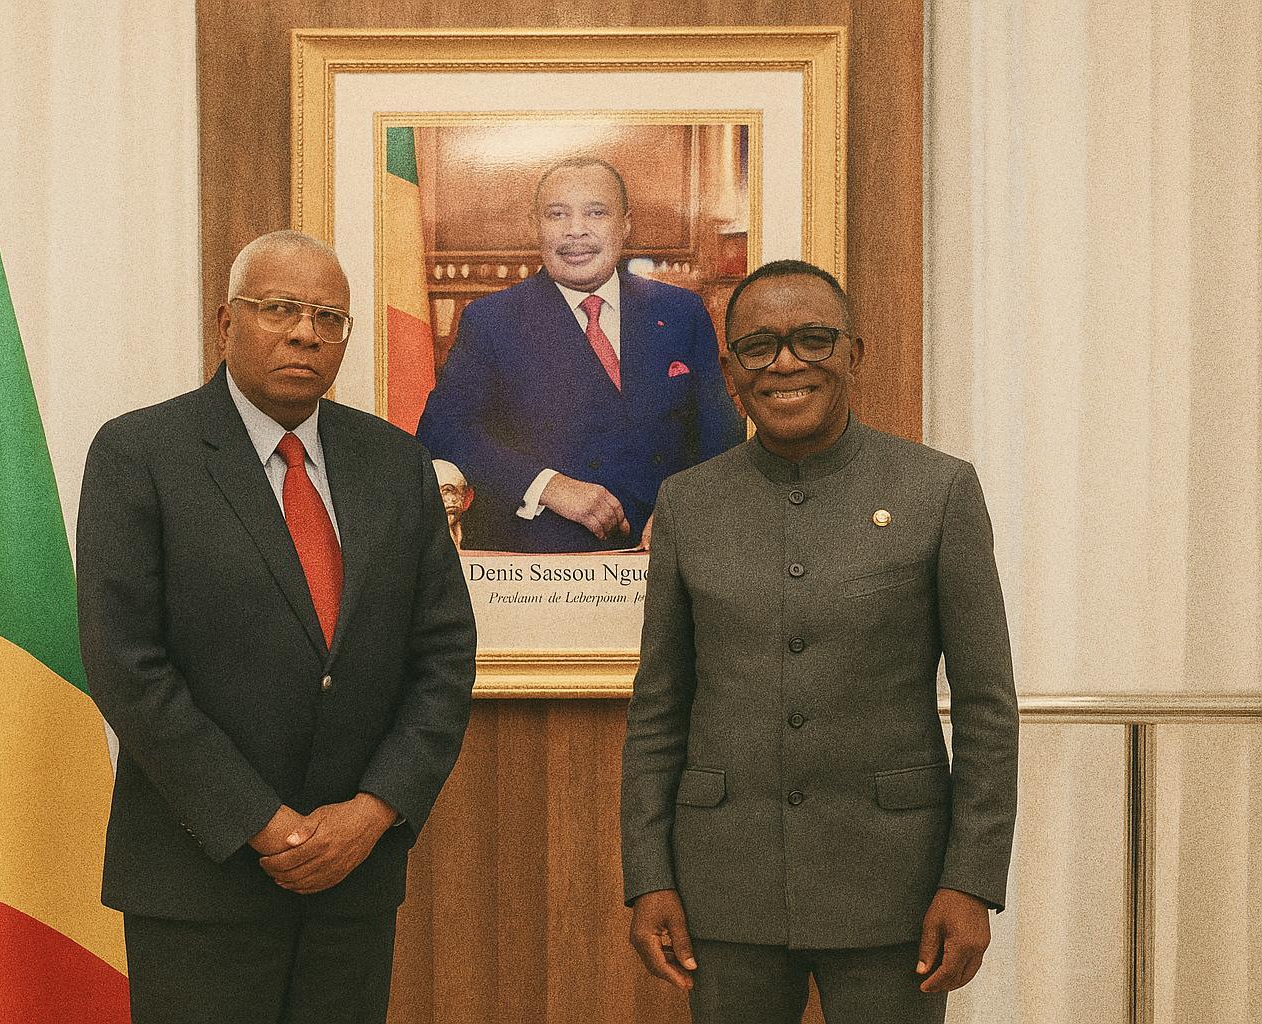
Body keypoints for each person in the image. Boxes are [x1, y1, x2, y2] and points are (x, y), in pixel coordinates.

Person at [76, 230, 477, 1024]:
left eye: (329, 317)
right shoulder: (140, 454)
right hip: (199, 880)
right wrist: (262, 824)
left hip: (353, 880)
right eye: (280, 309)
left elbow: (444, 657)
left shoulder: (396, 464)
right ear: (227, 323)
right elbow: (126, 665)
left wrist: (373, 811)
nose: (305, 334)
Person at [620, 259, 1018, 1024]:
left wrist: (971, 880)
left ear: (853, 354)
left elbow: (986, 709)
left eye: (812, 339)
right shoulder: (688, 503)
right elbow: (659, 708)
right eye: (758, 346)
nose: (785, 363)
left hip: (895, 888)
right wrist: (648, 876)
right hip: (724, 887)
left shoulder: (938, 491)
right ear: (730, 371)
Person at [416, 156, 744, 553]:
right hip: (540, 563)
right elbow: (442, 432)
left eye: (596, 213)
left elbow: (721, 435)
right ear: (535, 226)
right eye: (557, 214)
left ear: (625, 225)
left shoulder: (680, 311)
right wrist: (547, 485)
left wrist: (685, 509)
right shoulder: (491, 320)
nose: (576, 230)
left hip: (666, 553)